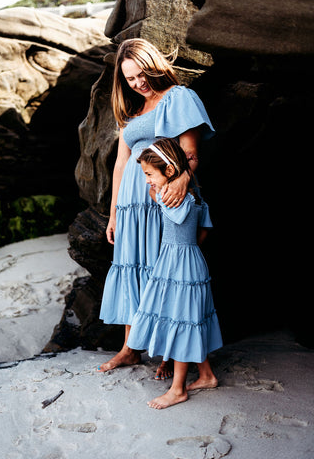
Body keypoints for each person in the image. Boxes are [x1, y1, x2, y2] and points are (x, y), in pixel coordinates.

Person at [98, 38, 215, 377]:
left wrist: (179, 183)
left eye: (142, 73)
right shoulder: (132, 113)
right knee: (131, 266)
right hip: (132, 208)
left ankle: (166, 352)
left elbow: (190, 153)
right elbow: (121, 164)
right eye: (130, 79)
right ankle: (129, 349)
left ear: (154, 64)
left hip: (162, 202)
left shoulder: (178, 98)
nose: (138, 83)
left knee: (159, 270)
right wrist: (114, 212)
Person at [127, 138, 223, 409]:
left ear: (169, 171)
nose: (147, 181)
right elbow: (204, 230)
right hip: (188, 259)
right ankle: (206, 374)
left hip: (178, 263)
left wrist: (180, 251)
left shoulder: (172, 196)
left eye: (149, 174)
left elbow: (158, 199)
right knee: (189, 319)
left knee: (181, 321)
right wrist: (188, 250)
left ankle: (178, 389)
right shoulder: (195, 194)